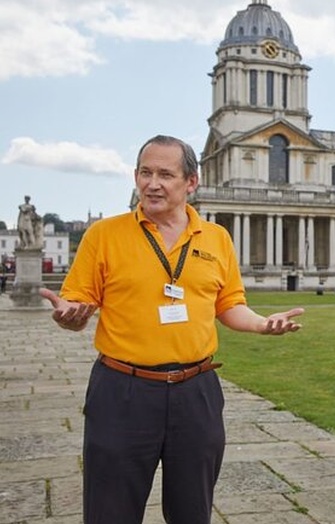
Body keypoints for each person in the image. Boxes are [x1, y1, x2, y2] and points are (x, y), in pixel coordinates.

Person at [39, 135, 306, 524]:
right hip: (122, 390)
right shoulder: (104, 235)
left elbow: (229, 305)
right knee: (109, 511)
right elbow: (78, 300)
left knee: (192, 512)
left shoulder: (217, 238)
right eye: (145, 173)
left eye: (166, 174)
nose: (153, 183)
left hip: (196, 392)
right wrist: (71, 315)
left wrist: (264, 325)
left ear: (191, 183)